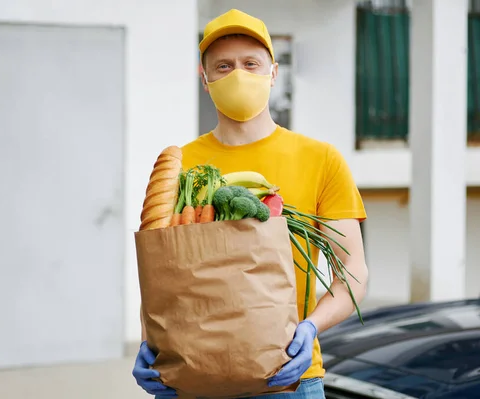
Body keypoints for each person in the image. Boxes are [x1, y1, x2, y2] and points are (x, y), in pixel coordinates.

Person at [132, 8, 369, 399]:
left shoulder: (321, 159)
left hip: (287, 378)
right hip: (193, 378)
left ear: (273, 73)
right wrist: (151, 343)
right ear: (204, 79)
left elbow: (353, 274)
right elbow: (163, 277)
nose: (237, 74)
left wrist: (309, 328)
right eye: (223, 66)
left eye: (250, 63)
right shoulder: (179, 165)